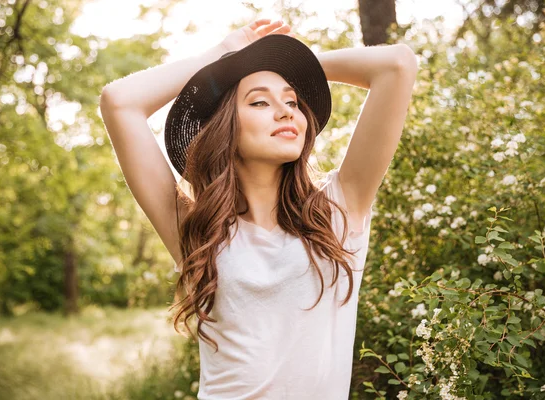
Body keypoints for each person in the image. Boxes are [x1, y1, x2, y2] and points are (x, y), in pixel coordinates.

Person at [100, 18, 417, 400]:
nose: (286, 111)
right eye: (261, 101)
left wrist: (294, 62)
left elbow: (397, 65)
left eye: (293, 100)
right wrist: (220, 57)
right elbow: (120, 102)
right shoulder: (198, 229)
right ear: (227, 128)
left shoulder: (338, 210)